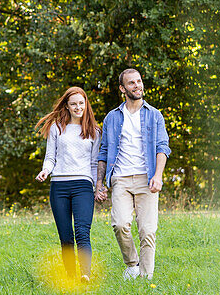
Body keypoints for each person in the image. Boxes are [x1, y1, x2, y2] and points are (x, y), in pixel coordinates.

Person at [95, 68, 171, 280]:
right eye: (131, 83)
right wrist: (99, 184)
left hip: (147, 179)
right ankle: (132, 264)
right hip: (120, 178)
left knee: (147, 231)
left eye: (139, 82)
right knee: (120, 224)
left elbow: (162, 147)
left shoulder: (155, 115)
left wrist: (158, 175)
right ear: (122, 88)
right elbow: (104, 151)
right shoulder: (112, 117)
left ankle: (147, 279)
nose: (137, 86)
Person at [35, 86, 101, 282]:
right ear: (67, 106)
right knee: (65, 236)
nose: (78, 107)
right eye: (73, 104)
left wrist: (98, 188)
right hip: (59, 186)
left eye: (81, 103)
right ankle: (71, 277)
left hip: (83, 186)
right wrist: (45, 171)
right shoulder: (57, 128)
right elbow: (50, 157)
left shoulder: (94, 131)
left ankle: (85, 275)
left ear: (86, 104)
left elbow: (94, 163)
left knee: (82, 231)